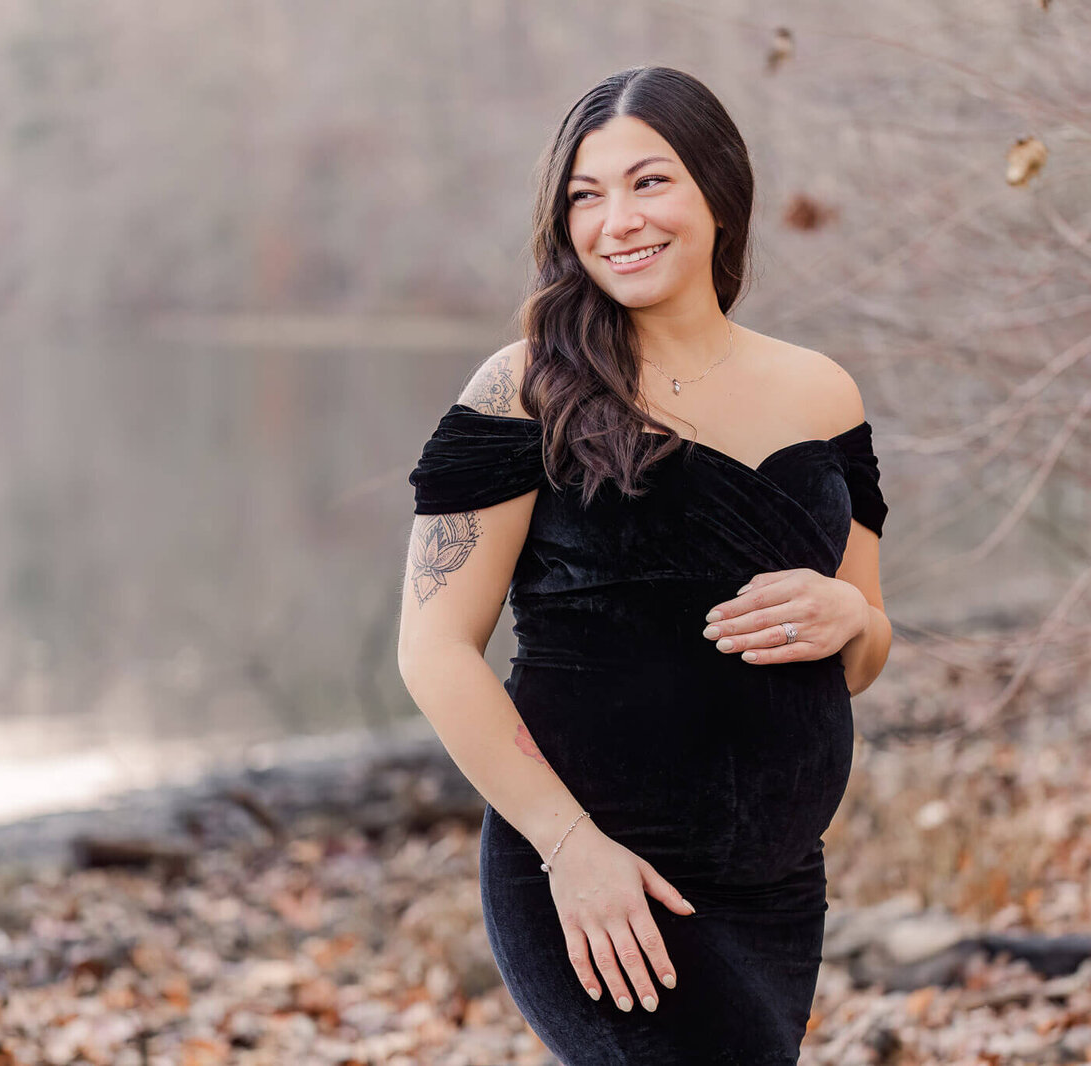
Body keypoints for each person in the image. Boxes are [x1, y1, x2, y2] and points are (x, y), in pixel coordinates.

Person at [396, 65, 891, 1065]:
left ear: (719, 189)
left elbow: (867, 645)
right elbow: (434, 649)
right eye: (585, 195)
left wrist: (847, 613)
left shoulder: (823, 393)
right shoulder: (525, 388)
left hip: (773, 888)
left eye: (648, 182)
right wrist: (570, 849)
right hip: (591, 870)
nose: (615, 219)